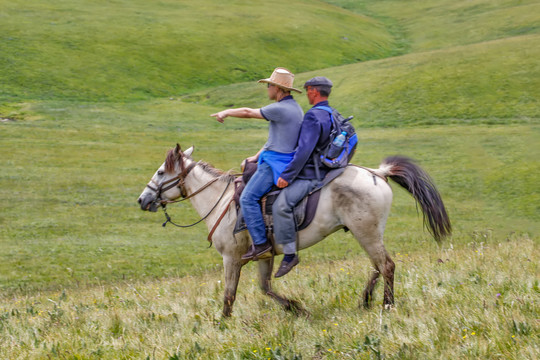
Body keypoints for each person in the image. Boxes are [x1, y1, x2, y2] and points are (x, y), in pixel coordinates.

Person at [210, 68, 304, 260]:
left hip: (275, 164)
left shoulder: (280, 109)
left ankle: (260, 243)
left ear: (277, 88)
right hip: (275, 157)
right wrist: (255, 156)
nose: (267, 89)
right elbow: (278, 138)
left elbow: (247, 112)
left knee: (247, 198)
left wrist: (225, 112)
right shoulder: (294, 108)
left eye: (269, 85)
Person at [272, 76, 335, 277]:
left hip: (311, 175)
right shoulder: (332, 113)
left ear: (315, 91)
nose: (306, 93)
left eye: (308, 90)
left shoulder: (313, 116)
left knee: (280, 206)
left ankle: (290, 254)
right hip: (327, 170)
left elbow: (303, 151)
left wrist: (287, 176)